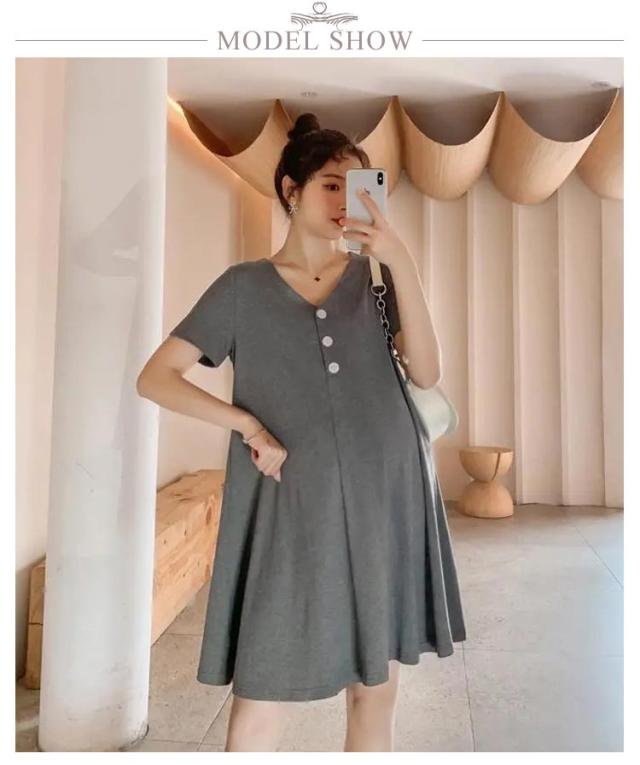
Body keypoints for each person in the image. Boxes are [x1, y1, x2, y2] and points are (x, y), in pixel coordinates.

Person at [136, 112, 466, 752]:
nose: (345, 200)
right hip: (287, 503)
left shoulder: (375, 278)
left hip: (385, 493)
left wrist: (400, 260)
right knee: (263, 685)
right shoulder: (242, 288)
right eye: (330, 185)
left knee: (374, 688)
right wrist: (246, 424)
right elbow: (157, 378)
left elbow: (427, 372)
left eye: (357, 185)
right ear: (291, 190)